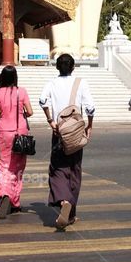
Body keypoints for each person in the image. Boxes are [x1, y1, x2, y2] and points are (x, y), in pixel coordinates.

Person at [40, 54, 94, 230]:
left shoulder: (51, 83)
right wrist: (89, 126)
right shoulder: (81, 83)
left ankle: (63, 200)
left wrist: (51, 121)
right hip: (76, 132)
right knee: (74, 169)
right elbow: (90, 108)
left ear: (57, 67)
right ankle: (71, 211)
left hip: (59, 131)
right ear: (73, 67)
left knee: (57, 168)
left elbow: (42, 101)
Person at [0, 65, 32, 218]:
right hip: (20, 132)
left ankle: (4, 193)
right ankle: (15, 201)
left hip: (4, 132)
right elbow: (30, 111)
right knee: (18, 167)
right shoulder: (22, 91)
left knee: (3, 165)